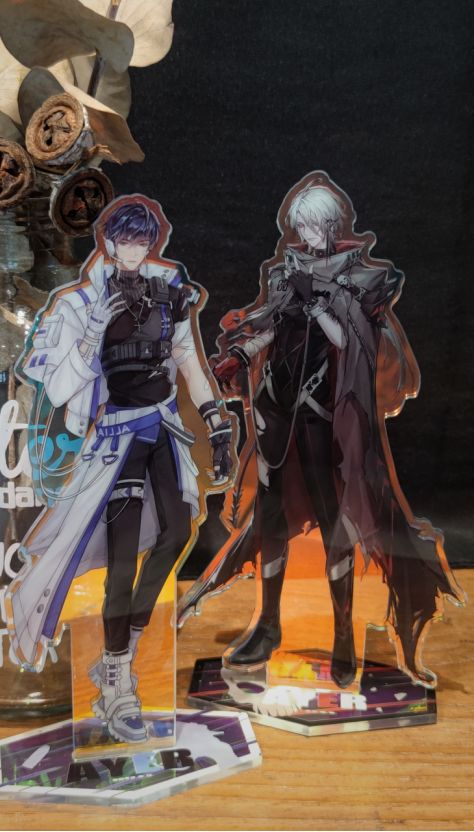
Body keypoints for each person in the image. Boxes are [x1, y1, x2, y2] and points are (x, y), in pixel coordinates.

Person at [179, 172, 464, 690]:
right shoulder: (286, 272)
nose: (308, 237)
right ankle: (268, 624)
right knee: (269, 522)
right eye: (302, 228)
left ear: (332, 226)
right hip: (276, 416)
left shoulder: (360, 279)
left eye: (315, 228)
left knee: (337, 524)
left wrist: (321, 306)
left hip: (326, 422)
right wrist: (241, 352)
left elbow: (351, 341)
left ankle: (343, 635)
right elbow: (272, 325)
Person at [6, 195, 232, 742]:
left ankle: (123, 646)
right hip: (116, 439)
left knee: (178, 531)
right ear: (108, 243)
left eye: (141, 241)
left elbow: (188, 361)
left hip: (162, 428)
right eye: (125, 240)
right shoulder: (80, 303)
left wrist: (216, 421)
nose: (133, 250)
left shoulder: (168, 291)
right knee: (122, 560)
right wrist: (91, 333)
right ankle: (116, 682)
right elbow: (61, 387)